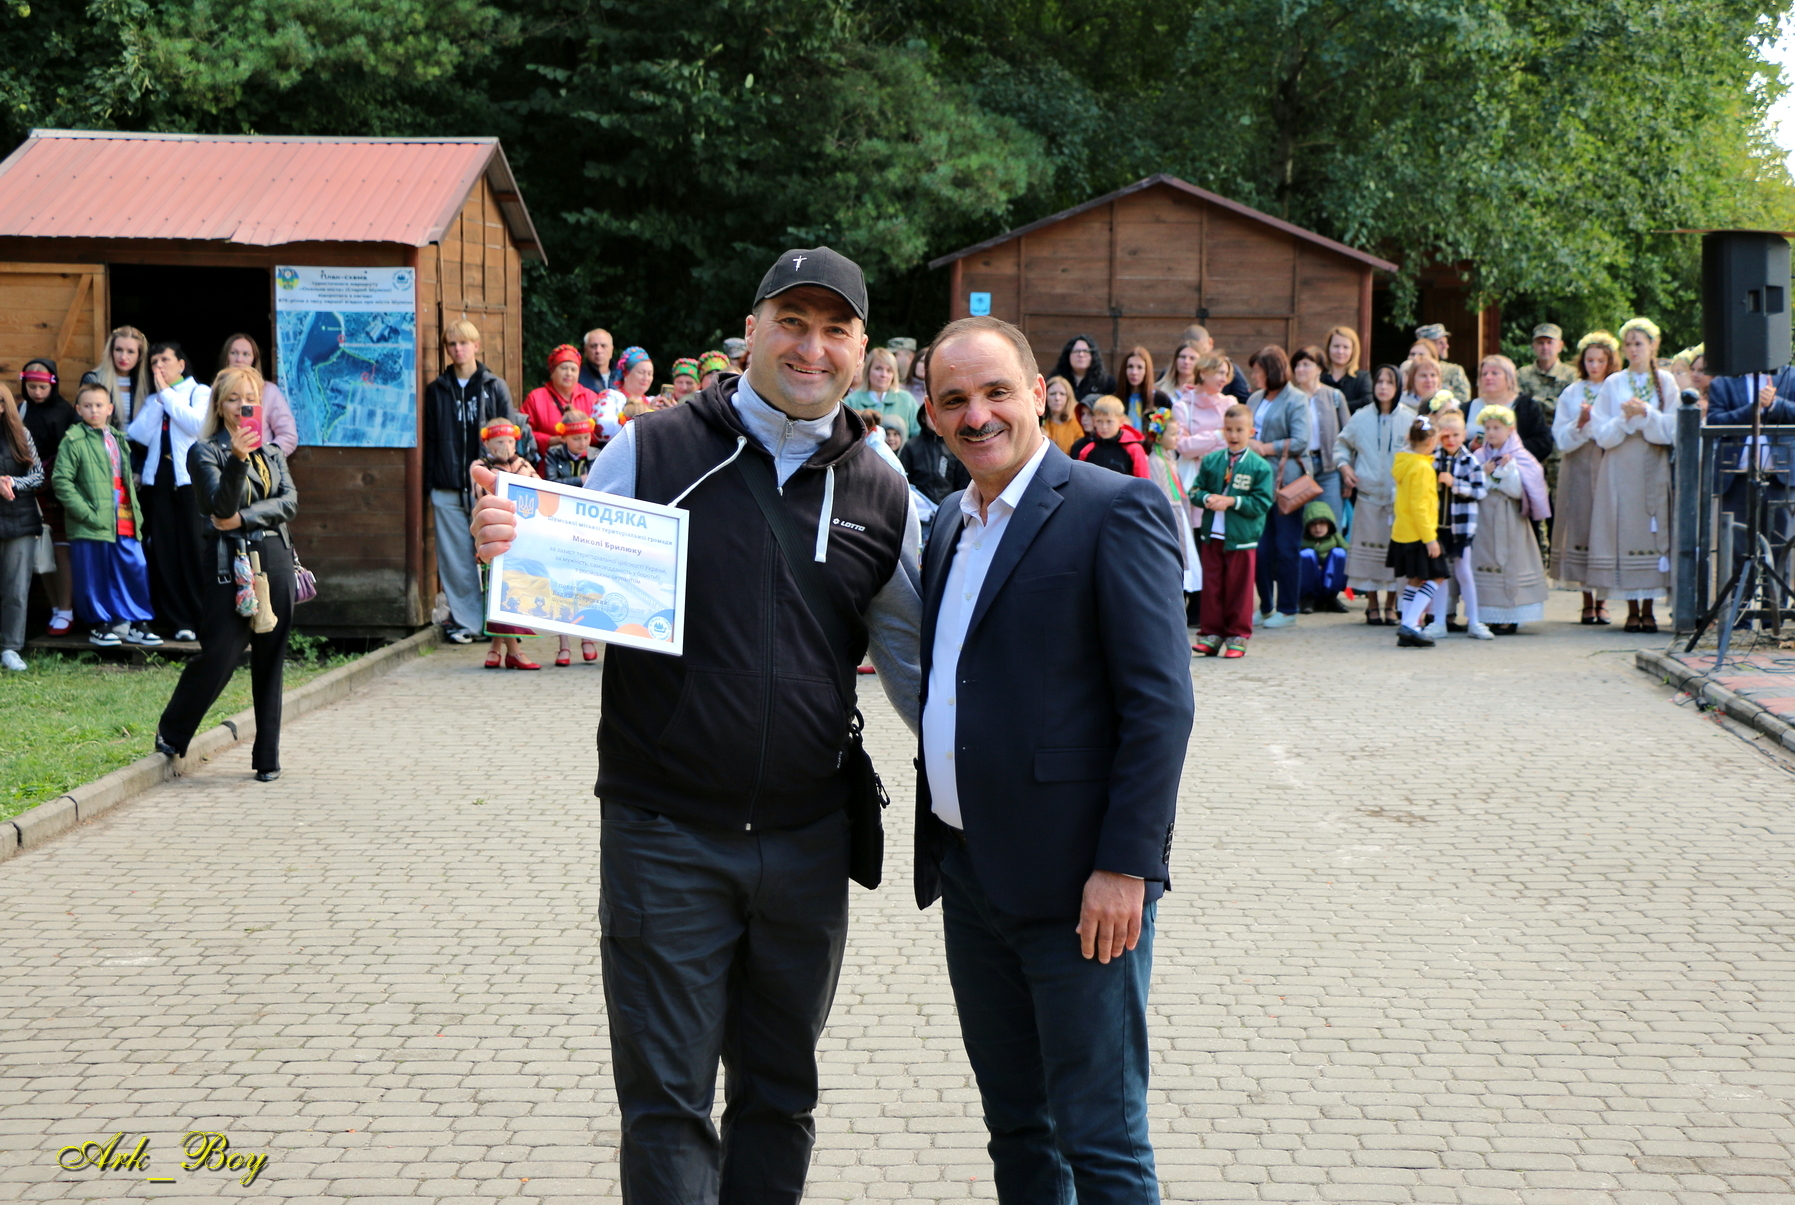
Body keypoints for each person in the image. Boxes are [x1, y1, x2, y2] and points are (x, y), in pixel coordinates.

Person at [471, 246, 921, 1204]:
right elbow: (556, 573)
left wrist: (1005, 790)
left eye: (834, 329)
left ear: (862, 348)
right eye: (790, 323)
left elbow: (921, 673)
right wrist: (508, 545)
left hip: (807, 841)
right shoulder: (655, 447)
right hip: (664, 834)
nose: (810, 348)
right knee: (667, 1104)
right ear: (750, 332)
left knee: (780, 1097)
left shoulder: (882, 487)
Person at [914, 314, 1192, 1203]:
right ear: (931, 415)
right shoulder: (946, 525)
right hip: (972, 880)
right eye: (954, 399)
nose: (977, 415)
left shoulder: (1114, 508)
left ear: (1039, 394)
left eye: (996, 391)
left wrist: (1125, 866)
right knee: (1018, 1131)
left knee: (1101, 1137)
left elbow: (1160, 706)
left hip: (1082, 890)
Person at [153, 366, 298, 781]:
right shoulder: (204, 452)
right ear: (219, 404)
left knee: (271, 658)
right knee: (220, 653)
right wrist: (236, 459)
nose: (242, 406)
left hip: (275, 558)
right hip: (230, 563)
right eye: (233, 399)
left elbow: (289, 502)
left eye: (249, 399)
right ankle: (173, 730)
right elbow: (219, 507)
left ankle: (267, 758)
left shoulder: (272, 453)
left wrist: (245, 519)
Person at [423, 318, 518, 644]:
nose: (457, 349)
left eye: (463, 342)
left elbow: (509, 434)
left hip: (487, 486)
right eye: (451, 344)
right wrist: (430, 485)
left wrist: (509, 477)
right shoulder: (437, 389)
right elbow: (430, 440)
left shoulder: (494, 385)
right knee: (456, 561)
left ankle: (501, 625)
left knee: (496, 554)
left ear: (476, 345)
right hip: (447, 485)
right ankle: (469, 623)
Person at [1587, 317, 1677, 632]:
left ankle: (1649, 608)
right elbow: (1600, 432)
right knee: (1623, 526)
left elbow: (1674, 427)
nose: (1633, 349)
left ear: (1653, 345)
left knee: (1652, 527)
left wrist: (1647, 413)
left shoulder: (1665, 380)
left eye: (1639, 343)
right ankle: (1631, 608)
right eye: (1628, 344)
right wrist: (1624, 419)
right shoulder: (1614, 382)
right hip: (1620, 462)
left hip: (1653, 460)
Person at [52, 383, 158, 648]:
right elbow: (61, 481)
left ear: (110, 408)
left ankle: (137, 621)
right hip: (91, 518)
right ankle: (100, 624)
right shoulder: (73, 440)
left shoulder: (118, 438)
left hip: (123, 514)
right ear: (78, 410)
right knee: (94, 572)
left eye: (99, 405)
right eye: (87, 406)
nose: (94, 410)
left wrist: (135, 512)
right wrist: (86, 513)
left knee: (134, 566)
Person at [127, 342, 210, 642]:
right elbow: (138, 434)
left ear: (181, 365)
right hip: (158, 481)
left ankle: (203, 618)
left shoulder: (199, 392)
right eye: (154, 362)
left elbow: (198, 426)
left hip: (190, 482)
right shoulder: (155, 399)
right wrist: (160, 398)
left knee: (194, 550)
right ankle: (179, 621)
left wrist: (168, 395)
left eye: (164, 360)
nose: (158, 366)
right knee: (164, 551)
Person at [1703, 358, 1795, 604]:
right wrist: (1753, 408)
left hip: (1779, 480)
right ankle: (1739, 616)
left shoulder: (1791, 377)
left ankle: (1773, 615)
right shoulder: (1723, 382)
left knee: (1779, 551)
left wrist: (1775, 404)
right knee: (1737, 551)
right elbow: (1714, 422)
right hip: (1737, 480)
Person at [1191, 404, 1274, 658]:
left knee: (1240, 588)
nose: (1234, 435)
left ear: (1251, 431)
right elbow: (1195, 491)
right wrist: (1207, 499)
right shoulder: (1212, 460)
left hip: (1242, 538)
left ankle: (1238, 636)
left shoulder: (1260, 467)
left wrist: (1232, 501)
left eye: (1239, 430)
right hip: (1213, 535)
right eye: (1229, 429)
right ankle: (1211, 635)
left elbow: (1262, 502)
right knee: (1212, 586)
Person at [1334, 365, 1414, 625]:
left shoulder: (1409, 419)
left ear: (1398, 387)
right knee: (1369, 557)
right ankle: (1371, 605)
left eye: (1389, 382)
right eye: (1379, 381)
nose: (1383, 387)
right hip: (1368, 497)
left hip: (1397, 500)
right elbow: (1342, 443)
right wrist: (1344, 466)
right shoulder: (1360, 417)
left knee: (1393, 555)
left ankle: (1391, 605)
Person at [1549, 332, 1620, 625]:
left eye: (1600, 360)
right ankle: (1587, 601)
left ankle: (1603, 601)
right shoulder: (1572, 391)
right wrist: (1579, 424)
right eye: (1590, 360)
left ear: (1610, 362)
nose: (1595, 366)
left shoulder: (1615, 388)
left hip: (1607, 457)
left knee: (1605, 525)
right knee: (1580, 525)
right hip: (1578, 460)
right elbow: (1560, 436)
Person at [1245, 346, 1310, 626]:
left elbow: (1301, 440)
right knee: (1261, 548)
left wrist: (1264, 447)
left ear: (1271, 371)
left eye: (1258, 371)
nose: (1254, 376)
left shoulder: (1296, 399)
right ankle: (1266, 605)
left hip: (1287, 484)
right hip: (1258, 482)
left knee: (1286, 546)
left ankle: (1287, 608)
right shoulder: (1255, 398)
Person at [1471, 405, 1551, 634]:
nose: (1491, 432)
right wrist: (1484, 473)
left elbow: (1519, 490)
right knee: (1486, 563)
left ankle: (1510, 616)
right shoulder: (1479, 456)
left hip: (1511, 519)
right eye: (1487, 428)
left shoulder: (1521, 456)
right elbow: (1472, 485)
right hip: (1484, 520)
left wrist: (1506, 473)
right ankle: (1488, 615)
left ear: (1510, 429)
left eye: (1496, 428)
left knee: (1511, 563)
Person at [470, 419, 540, 671]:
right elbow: (483, 493)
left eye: (510, 441)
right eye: (500, 441)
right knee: (500, 596)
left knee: (510, 594)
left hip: (519, 538)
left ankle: (495, 649)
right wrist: (504, 470)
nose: (506, 446)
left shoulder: (524, 464)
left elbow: (538, 490)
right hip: (494, 538)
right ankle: (515, 651)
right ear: (487, 443)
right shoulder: (480, 466)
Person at [19, 359, 78, 636]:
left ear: (53, 384)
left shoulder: (65, 412)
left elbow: (70, 452)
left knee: (61, 549)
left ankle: (67, 610)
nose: (37, 392)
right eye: (32, 387)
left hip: (56, 489)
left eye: (42, 387)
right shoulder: (21, 410)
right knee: (41, 548)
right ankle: (54, 608)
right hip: (29, 489)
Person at [1424, 410, 1491, 639]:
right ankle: (1438, 621)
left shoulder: (1470, 461)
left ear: (1463, 435)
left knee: (1464, 572)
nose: (1450, 440)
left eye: (1455, 435)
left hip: (1461, 527)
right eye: (1445, 435)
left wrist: (1455, 484)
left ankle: (1474, 621)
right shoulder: (1432, 459)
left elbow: (1480, 491)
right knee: (1439, 574)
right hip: (1437, 527)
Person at [541, 408, 601, 662]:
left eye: (586, 437)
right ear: (564, 437)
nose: (583, 443)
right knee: (561, 582)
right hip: (561, 522)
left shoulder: (598, 454)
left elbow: (601, 485)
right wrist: (580, 480)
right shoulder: (553, 454)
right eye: (577, 438)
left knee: (586, 581)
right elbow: (551, 485)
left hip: (588, 524)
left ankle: (587, 638)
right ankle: (564, 644)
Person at [1387, 416, 1450, 647]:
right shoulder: (1422, 468)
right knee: (1438, 574)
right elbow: (1420, 506)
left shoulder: (1404, 462)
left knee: (1415, 578)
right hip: (1419, 534)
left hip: (1404, 532)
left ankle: (1409, 626)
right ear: (1431, 440)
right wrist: (1430, 539)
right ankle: (1409, 623)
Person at [0, 384, 44, 671]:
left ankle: (10, 648)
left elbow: (38, 475)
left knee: (15, 590)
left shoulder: (21, 435)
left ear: (4, 406)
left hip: (20, 521)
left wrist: (12, 482)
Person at [1289, 346, 1350, 538]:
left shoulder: (1335, 396)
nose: (1300, 369)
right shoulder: (1290, 398)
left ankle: (1334, 558)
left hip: (1329, 469)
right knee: (1301, 525)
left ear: (1319, 369)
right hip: (1299, 469)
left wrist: (1346, 477)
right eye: (1297, 365)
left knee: (1332, 523)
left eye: (1306, 364)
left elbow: (1347, 438)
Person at [216, 333, 299, 456]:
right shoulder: (215, 390)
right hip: (221, 462)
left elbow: (288, 436)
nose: (239, 359)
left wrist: (265, 458)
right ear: (226, 357)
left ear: (254, 359)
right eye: (233, 353)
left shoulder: (269, 391)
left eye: (246, 354)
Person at [520, 344, 604, 463]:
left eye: (573, 369)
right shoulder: (536, 397)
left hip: (585, 465)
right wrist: (550, 441)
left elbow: (600, 433)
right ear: (552, 371)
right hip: (548, 464)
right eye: (564, 368)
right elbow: (524, 432)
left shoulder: (591, 397)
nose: (569, 373)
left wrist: (582, 439)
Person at [1465, 356, 1551, 463]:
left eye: (1494, 373)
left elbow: (1544, 443)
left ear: (1509, 378)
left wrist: (1506, 448)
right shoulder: (1467, 407)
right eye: (1484, 374)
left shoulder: (1526, 407)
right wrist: (1470, 446)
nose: (1488, 377)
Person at [83, 325, 151, 448]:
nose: (123, 357)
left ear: (139, 355)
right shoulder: (93, 379)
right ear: (111, 351)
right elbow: (82, 421)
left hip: (137, 452)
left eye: (130, 351)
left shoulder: (146, 384)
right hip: (103, 450)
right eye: (118, 350)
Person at [902, 402, 971, 505]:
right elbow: (904, 481)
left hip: (949, 506)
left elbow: (963, 482)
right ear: (923, 418)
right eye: (931, 415)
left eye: (939, 415)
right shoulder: (911, 446)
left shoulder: (954, 445)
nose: (936, 420)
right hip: (919, 508)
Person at [846, 346, 920, 435]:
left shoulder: (906, 400)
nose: (883, 375)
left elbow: (918, 434)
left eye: (889, 370)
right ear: (868, 370)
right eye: (878, 369)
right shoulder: (851, 401)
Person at [1070, 396, 1149, 477]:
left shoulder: (1134, 450)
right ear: (1094, 421)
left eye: (1109, 421)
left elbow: (1143, 481)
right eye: (1099, 421)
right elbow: (1079, 478)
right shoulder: (1087, 449)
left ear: (1121, 421)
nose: (1104, 427)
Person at [1176, 324, 1251, 402]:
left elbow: (1245, 400)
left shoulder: (1227, 369)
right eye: (1183, 357)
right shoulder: (1177, 371)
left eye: (1203, 351)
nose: (1187, 361)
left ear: (1210, 343)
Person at [1297, 500, 1348, 613]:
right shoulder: (1301, 538)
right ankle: (1307, 599)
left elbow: (1348, 551)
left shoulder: (1335, 536)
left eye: (1322, 523)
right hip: (1309, 581)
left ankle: (1331, 598)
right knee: (1306, 554)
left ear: (1329, 524)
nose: (1318, 527)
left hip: (1328, 578)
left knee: (1340, 553)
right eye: (1313, 524)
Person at [1517, 323, 1576, 411]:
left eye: (1550, 342)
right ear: (1533, 346)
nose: (1545, 347)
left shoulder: (1571, 375)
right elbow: (1517, 403)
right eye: (1540, 343)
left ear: (1560, 346)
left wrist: (1533, 402)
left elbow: (1572, 405)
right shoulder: (1521, 375)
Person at [1114, 346, 1170, 430]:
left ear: (1146, 370)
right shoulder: (1115, 399)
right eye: (1130, 366)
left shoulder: (1161, 399)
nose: (1134, 372)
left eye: (1139, 367)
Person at [1320, 325, 1372, 412]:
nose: (1340, 351)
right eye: (1336, 346)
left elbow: (1368, 401)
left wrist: (1338, 407)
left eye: (1346, 347)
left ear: (1353, 351)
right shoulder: (1320, 376)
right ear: (1328, 348)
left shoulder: (1362, 377)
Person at [1415, 323, 1473, 400]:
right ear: (1428, 345)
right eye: (1441, 343)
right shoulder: (1412, 369)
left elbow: (1464, 398)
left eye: (1446, 342)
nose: (1446, 346)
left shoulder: (1454, 371)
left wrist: (1441, 393)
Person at [1049, 334, 1114, 402]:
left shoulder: (1107, 382)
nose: (1081, 355)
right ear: (1068, 355)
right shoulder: (1056, 381)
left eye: (1085, 351)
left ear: (1093, 355)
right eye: (1076, 351)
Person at [1042, 375, 1086, 452]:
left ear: (1068, 397)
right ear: (1045, 396)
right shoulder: (1040, 423)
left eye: (1062, 394)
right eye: (1052, 394)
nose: (1057, 398)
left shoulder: (1077, 423)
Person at [579, 327, 615, 395]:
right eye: (593, 346)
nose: (598, 350)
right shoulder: (577, 376)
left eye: (603, 346)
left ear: (612, 349)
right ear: (585, 350)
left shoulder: (622, 375)